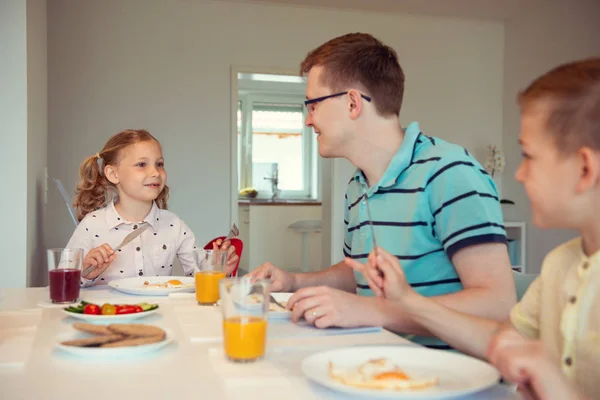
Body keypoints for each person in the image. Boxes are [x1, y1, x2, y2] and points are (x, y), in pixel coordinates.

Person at [349, 57, 600, 399]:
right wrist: (409, 301)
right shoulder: (561, 264)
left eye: (529, 156)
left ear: (585, 169)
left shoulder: (450, 170)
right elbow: (501, 340)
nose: (519, 174)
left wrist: (550, 381)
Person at [249, 33, 515, 348]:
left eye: (312, 105)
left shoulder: (450, 172)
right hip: (376, 363)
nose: (308, 120)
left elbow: (498, 305)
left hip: (445, 377)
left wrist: (370, 310)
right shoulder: (358, 186)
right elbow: (357, 274)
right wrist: (294, 282)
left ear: (352, 102)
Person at [66, 129, 238, 286]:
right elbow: (65, 284)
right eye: (141, 165)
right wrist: (86, 274)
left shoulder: (173, 224)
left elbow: (200, 276)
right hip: (107, 318)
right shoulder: (92, 225)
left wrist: (216, 270)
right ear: (113, 174)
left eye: (159, 164)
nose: (155, 172)